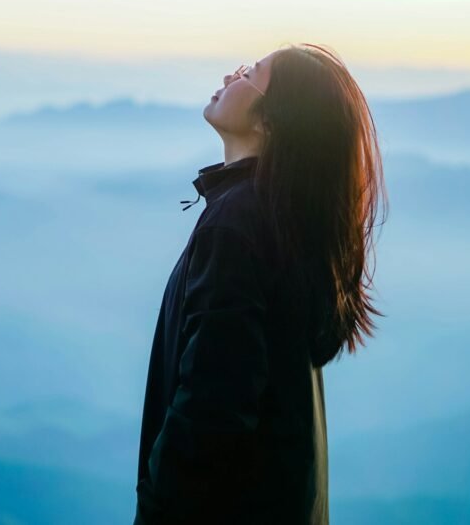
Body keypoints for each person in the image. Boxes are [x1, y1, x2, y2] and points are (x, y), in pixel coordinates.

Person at [134, 43, 387, 524]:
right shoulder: (283, 221)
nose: (230, 76)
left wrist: (155, 511)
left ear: (271, 121)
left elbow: (210, 414)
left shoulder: (236, 226)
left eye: (250, 75)